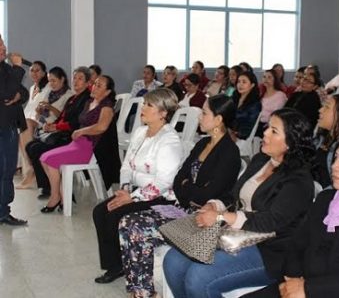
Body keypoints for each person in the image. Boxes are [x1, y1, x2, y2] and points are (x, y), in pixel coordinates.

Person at [163, 108, 316, 298]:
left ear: (290, 143)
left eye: (274, 131)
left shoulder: (299, 180)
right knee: (173, 262)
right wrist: (215, 204)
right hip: (235, 234)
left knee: (199, 276)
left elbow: (272, 221)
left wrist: (221, 216)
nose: (265, 133)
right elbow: (234, 195)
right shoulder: (261, 160)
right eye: (268, 127)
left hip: (270, 250)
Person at [118, 94, 241, 297]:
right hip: (182, 207)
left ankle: (143, 292)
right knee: (127, 221)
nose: (199, 117)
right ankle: (141, 291)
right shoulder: (203, 144)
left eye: (204, 113)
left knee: (137, 227)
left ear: (219, 119)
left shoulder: (229, 152)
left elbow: (209, 194)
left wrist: (187, 188)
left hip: (204, 218)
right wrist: (188, 189)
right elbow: (178, 179)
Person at [246, 134, 339, 298]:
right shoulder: (325, 198)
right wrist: (294, 279)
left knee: (210, 275)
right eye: (335, 157)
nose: (334, 166)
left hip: (269, 255)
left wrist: (307, 288)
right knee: (212, 262)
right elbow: (297, 245)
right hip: (244, 246)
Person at [92, 88, 182, 284]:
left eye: (149, 105)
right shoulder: (141, 132)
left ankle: (124, 263)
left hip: (160, 197)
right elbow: (126, 164)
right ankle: (115, 265)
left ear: (163, 113)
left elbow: (164, 182)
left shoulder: (169, 140)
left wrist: (132, 197)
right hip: (135, 192)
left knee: (115, 214)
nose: (143, 107)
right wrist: (124, 188)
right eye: (145, 103)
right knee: (100, 211)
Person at [39, 75, 116, 213]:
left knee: (49, 159)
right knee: (44, 157)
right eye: (95, 84)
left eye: (99, 86)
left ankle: (55, 197)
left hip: (89, 147)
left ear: (108, 92)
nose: (94, 87)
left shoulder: (107, 107)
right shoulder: (89, 102)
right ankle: (61, 196)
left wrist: (81, 131)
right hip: (77, 144)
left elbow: (101, 127)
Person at [25, 67, 92, 200]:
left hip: (71, 138)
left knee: (37, 148)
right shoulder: (73, 98)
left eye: (80, 79)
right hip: (62, 133)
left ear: (87, 82)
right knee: (30, 146)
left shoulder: (86, 99)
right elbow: (62, 117)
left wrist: (56, 127)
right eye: (75, 78)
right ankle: (47, 186)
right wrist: (52, 125)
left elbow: (75, 123)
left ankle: (55, 189)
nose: (76, 81)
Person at [0, 33, 29, 225]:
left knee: (7, 171)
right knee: (3, 170)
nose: (3, 47)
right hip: (2, 126)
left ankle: (3, 210)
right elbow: (6, 93)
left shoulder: (5, 68)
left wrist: (19, 96)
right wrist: (18, 67)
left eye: (2, 43)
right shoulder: (11, 69)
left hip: (8, 125)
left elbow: (21, 91)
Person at [16, 61, 50, 189]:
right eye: (32, 70)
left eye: (37, 70)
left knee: (26, 124)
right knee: (19, 126)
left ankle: (31, 170)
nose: (34, 73)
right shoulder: (32, 88)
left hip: (42, 121)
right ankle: (29, 168)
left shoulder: (48, 87)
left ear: (44, 72)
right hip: (29, 120)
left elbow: (45, 109)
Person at [230, 71, 261, 142]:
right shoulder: (234, 98)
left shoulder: (255, 104)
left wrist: (236, 134)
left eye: (244, 82)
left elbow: (250, 126)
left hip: (242, 138)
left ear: (252, 85)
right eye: (239, 81)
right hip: (228, 133)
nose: (240, 85)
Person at [256, 69, 287, 136]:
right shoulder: (261, 94)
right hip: (258, 124)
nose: (266, 79)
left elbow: (277, 113)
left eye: (269, 77)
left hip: (271, 125)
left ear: (275, 79)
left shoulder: (280, 95)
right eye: (264, 77)